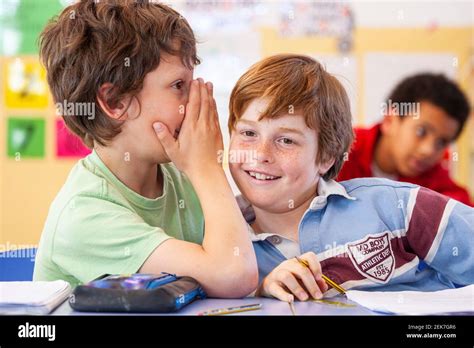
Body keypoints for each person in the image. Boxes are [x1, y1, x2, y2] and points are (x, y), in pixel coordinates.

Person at [33, 0, 258, 298]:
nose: (194, 101)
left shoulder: (176, 174)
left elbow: (238, 252)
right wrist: (207, 167)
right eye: (179, 85)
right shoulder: (85, 214)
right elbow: (233, 275)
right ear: (115, 102)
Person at [227, 54, 474, 302]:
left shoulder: (399, 205)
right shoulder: (220, 243)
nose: (260, 155)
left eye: (286, 140)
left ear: (327, 158)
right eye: (248, 133)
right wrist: (260, 291)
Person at [338, 73, 472, 206]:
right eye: (421, 131)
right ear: (390, 120)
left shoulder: (432, 174)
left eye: (441, 142)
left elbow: (461, 207)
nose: (429, 150)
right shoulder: (340, 150)